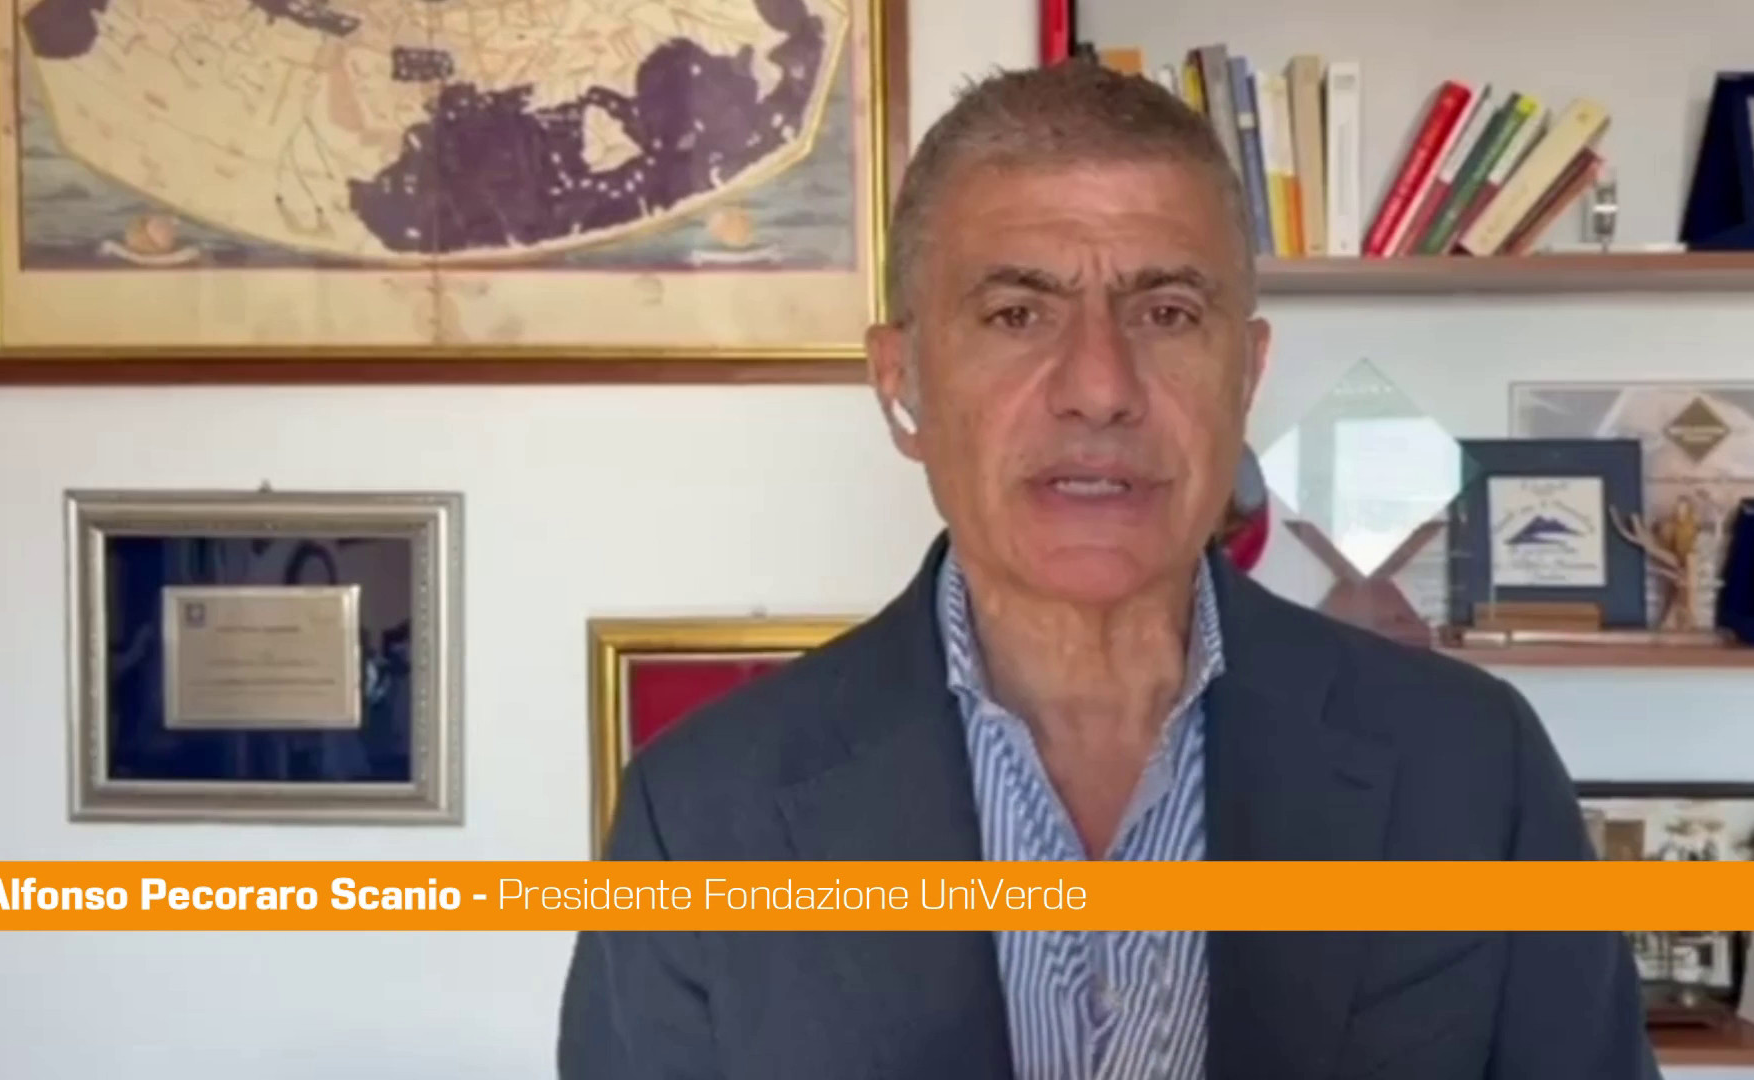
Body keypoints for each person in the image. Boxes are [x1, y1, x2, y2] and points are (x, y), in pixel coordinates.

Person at [558, 62, 1658, 1080]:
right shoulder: (701, 813)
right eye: (1017, 312)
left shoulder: (1473, 765)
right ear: (902, 384)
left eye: (1167, 313)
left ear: (1246, 375)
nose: (1100, 386)